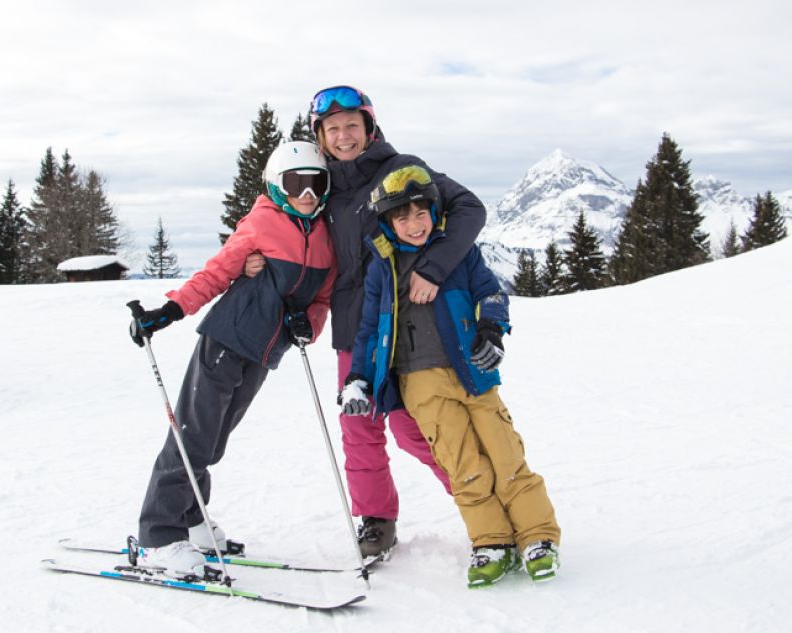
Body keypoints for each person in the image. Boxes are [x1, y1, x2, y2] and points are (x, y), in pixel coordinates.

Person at [246, 85, 487, 557]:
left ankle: (483, 504)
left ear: (369, 128)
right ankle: (377, 520)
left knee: (414, 428)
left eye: (352, 125)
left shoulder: (401, 169)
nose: (343, 135)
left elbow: (469, 208)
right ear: (320, 135)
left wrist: (432, 267)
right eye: (332, 128)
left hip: (406, 322)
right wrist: (256, 257)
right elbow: (290, 228)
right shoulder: (323, 184)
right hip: (354, 326)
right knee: (359, 429)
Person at [340, 162, 561, 588]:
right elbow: (369, 331)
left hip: (472, 372)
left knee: (505, 454)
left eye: (421, 212)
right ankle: (491, 541)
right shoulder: (380, 269)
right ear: (387, 221)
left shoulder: (458, 253)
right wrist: (359, 378)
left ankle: (537, 536)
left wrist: (491, 330)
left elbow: (491, 293)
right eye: (401, 216)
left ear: (435, 212)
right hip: (420, 383)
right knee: (463, 464)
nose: (414, 223)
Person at [127, 141, 336, 576]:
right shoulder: (262, 223)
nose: (309, 195)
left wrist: (308, 325)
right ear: (278, 186)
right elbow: (216, 272)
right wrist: (169, 311)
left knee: (214, 440)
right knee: (192, 438)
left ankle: (192, 518)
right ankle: (158, 536)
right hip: (225, 340)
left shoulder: (325, 239)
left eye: (318, 184)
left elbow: (321, 298)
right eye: (297, 184)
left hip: (263, 352)